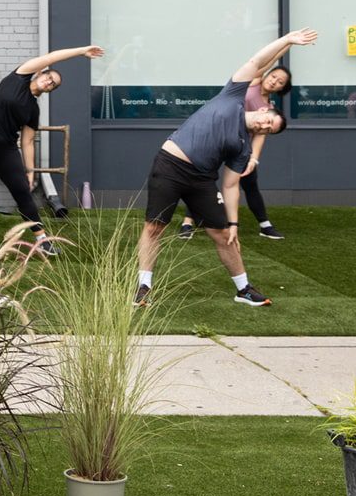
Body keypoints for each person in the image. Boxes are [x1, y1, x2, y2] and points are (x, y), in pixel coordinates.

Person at [135, 30, 316, 308]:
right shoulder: (231, 96)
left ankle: (243, 290)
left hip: (201, 180)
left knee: (223, 235)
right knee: (154, 227)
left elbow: (230, 185)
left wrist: (234, 223)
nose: (266, 125)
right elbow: (257, 62)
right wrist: (287, 41)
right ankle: (143, 287)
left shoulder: (243, 147)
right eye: (269, 120)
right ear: (263, 111)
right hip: (170, 165)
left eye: (271, 129)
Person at [0, 44, 105, 257]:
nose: (49, 82)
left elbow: (27, 142)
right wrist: (81, 52)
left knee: (23, 193)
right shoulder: (19, 76)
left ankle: (42, 240)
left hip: (6, 148)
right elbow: (52, 56)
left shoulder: (33, 110)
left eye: (53, 84)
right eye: (49, 77)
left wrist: (31, 171)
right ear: (40, 73)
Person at [180, 62, 291, 241]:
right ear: (266, 75)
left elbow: (259, 137)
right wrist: (287, 42)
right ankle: (187, 222)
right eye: (273, 76)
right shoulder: (253, 83)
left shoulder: (269, 110)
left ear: (282, 88)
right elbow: (259, 63)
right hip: (220, 138)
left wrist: (253, 159)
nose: (274, 81)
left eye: (280, 82)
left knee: (251, 184)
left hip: (239, 147)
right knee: (204, 179)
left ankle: (265, 225)